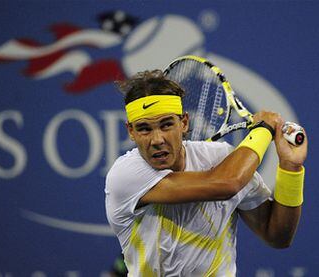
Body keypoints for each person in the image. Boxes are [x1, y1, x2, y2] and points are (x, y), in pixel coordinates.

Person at [104, 70, 307, 276]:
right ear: (131, 131)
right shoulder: (125, 174)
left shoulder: (223, 159)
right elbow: (227, 183)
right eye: (144, 129)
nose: (157, 140)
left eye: (166, 125)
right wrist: (262, 131)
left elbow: (278, 236)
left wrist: (291, 168)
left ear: (184, 123)